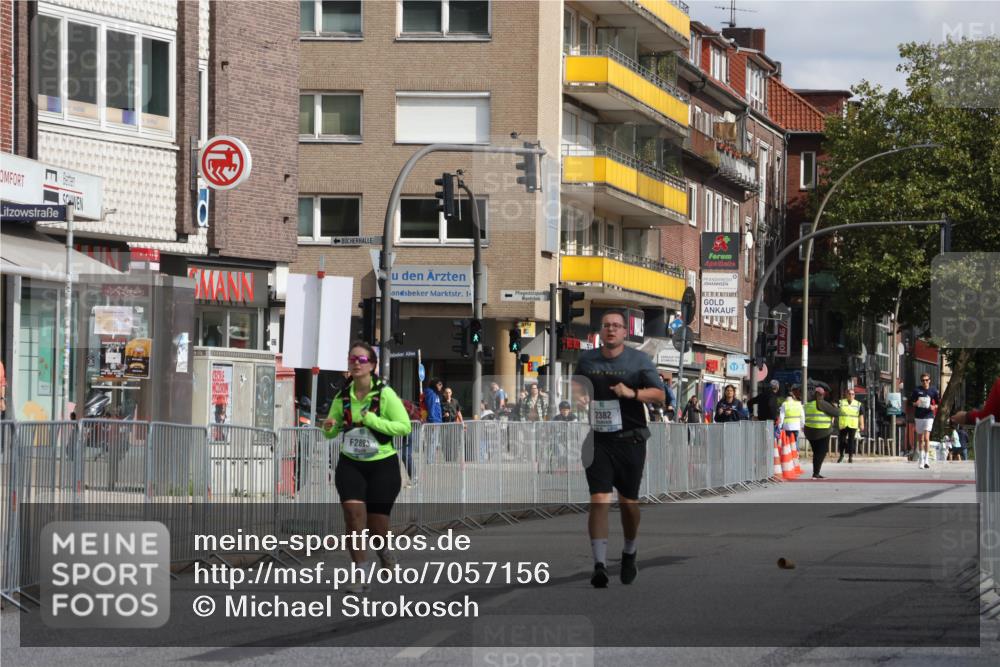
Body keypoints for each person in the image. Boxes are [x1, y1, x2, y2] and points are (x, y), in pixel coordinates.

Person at [576, 310, 665, 588]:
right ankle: (599, 565)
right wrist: (578, 397)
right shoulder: (587, 359)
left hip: (631, 439)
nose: (611, 330)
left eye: (616, 326)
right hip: (599, 439)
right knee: (599, 500)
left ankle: (629, 551)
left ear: (625, 332)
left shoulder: (639, 360)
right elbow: (576, 384)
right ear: (600, 331)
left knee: (628, 504)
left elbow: (660, 394)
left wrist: (633, 393)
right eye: (606, 326)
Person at [322, 341, 412, 589]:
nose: (356, 363)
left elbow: (404, 426)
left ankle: (383, 551)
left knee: (376, 527)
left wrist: (372, 420)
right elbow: (332, 429)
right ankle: (360, 575)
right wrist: (328, 428)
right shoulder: (343, 396)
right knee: (352, 517)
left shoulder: (384, 394)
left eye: (361, 360)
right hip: (351, 463)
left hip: (382, 465)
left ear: (372, 365)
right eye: (352, 359)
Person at [803, 387, 841, 479]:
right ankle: (816, 473)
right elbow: (837, 413)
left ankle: (815, 473)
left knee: (816, 452)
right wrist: (834, 406)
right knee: (822, 452)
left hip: (809, 432)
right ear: (822, 395)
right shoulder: (823, 403)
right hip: (822, 431)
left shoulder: (808, 404)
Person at [909, 373, 939, 469]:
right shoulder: (917, 390)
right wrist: (915, 403)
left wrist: (934, 406)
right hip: (919, 416)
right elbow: (910, 402)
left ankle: (926, 460)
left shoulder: (933, 390)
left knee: (926, 438)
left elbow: (938, 402)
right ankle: (921, 460)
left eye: (926, 380)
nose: (924, 382)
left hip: (929, 416)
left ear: (929, 380)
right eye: (922, 380)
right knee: (920, 439)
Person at [836, 388, 865, 463]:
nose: (851, 395)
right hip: (843, 424)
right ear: (846, 394)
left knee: (851, 441)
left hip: (853, 425)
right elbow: (835, 412)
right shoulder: (841, 402)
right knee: (842, 441)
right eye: (849, 394)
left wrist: (862, 424)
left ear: (854, 395)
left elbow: (861, 415)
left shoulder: (858, 404)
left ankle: (850, 457)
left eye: (853, 394)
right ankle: (841, 455)